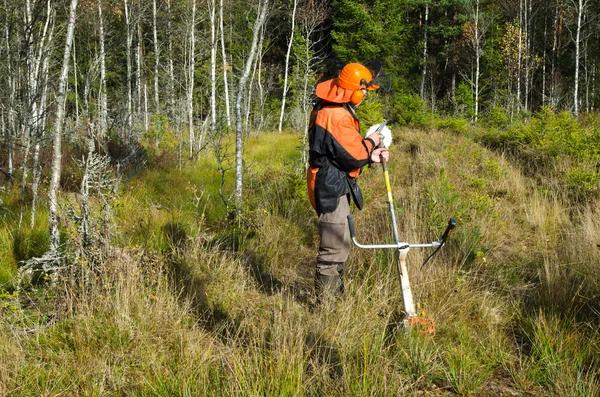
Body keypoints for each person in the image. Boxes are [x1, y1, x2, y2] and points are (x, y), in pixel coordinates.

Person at [306, 60, 390, 302]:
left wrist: (370, 158)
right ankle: (327, 310)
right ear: (354, 90)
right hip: (331, 188)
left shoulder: (331, 107)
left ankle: (335, 300)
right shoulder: (336, 115)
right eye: (363, 90)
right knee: (333, 249)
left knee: (340, 244)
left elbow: (339, 153)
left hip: (331, 181)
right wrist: (374, 140)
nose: (364, 95)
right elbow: (355, 155)